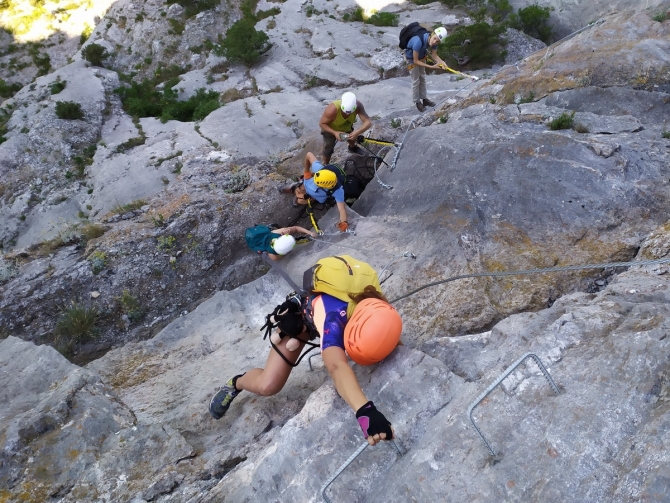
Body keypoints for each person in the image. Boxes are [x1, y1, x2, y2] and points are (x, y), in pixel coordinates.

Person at [209, 285, 403, 447]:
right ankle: (236, 383)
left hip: (324, 308)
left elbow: (384, 329)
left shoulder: (377, 306)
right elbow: (336, 366)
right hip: (301, 318)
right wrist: (365, 411)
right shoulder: (333, 321)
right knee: (268, 385)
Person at [319, 92, 372, 164]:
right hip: (330, 129)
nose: (348, 114)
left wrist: (358, 132)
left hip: (346, 126)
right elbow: (322, 123)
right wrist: (335, 132)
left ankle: (352, 148)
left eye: (350, 112)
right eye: (345, 112)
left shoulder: (358, 106)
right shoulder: (332, 109)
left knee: (352, 136)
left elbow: (368, 122)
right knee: (328, 148)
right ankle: (326, 164)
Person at [303, 151, 349, 232]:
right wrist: (306, 171)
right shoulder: (319, 170)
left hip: (318, 196)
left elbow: (342, 209)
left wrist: (344, 222)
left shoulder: (338, 190)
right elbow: (309, 154)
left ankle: (312, 198)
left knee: (301, 200)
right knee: (299, 196)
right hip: (306, 184)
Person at [405, 26, 448, 112]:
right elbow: (415, 61)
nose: (434, 42)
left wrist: (442, 62)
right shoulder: (418, 41)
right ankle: (417, 102)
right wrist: (432, 67)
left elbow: (434, 56)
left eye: (437, 41)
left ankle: (424, 99)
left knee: (423, 78)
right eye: (434, 38)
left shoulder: (434, 42)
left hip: (421, 57)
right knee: (416, 81)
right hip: (412, 60)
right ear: (432, 34)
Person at [246, 225, 317, 261]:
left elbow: (295, 228)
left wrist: (310, 233)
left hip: (266, 235)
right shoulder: (273, 256)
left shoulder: (278, 232)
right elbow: (283, 254)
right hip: (256, 241)